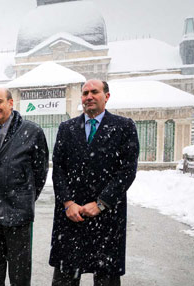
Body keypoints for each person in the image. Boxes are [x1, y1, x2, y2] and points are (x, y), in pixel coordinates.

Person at [49, 79, 139, 286]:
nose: (88, 96)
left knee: (106, 277)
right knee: (65, 277)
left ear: (106, 96)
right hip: (72, 217)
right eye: (85, 93)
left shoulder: (124, 127)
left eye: (94, 92)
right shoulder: (67, 128)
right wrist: (67, 203)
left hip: (107, 217)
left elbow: (127, 171)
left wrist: (101, 203)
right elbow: (58, 170)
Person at [0, 87, 49, 286]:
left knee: (20, 273)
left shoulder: (31, 131)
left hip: (18, 214)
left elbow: (40, 172)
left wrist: (24, 196)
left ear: (10, 103)